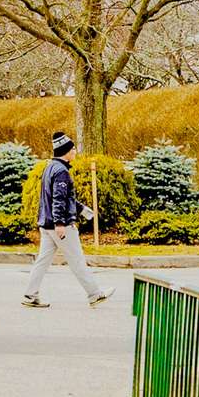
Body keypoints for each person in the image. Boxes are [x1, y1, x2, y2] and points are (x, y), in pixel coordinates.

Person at [23, 131, 115, 308]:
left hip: (46, 224)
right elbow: (58, 198)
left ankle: (30, 294)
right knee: (77, 260)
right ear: (65, 151)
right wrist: (60, 223)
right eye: (72, 149)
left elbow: (61, 197)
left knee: (42, 260)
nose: (75, 151)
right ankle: (94, 294)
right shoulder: (62, 172)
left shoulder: (50, 167)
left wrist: (81, 209)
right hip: (60, 225)